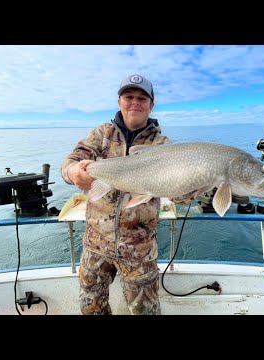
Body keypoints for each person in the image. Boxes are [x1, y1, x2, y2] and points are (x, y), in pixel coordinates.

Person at [61, 74, 190, 315]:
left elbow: (180, 196)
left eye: (142, 98)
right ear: (119, 101)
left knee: (146, 312)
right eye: (129, 97)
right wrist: (72, 171)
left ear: (151, 105)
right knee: (91, 310)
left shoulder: (162, 144)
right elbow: (72, 161)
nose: (135, 102)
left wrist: (194, 186)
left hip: (139, 250)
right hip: (95, 246)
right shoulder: (101, 134)